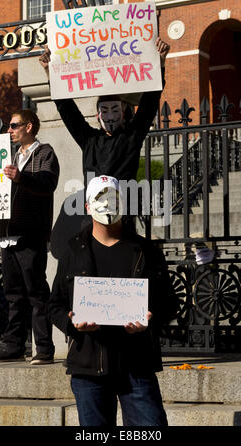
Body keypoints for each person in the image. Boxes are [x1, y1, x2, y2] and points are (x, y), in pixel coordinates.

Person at [48, 175, 179, 426]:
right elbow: (54, 305)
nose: (107, 204)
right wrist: (70, 322)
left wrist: (150, 319)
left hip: (136, 366)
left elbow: (170, 303)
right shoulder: (73, 252)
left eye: (113, 197)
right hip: (88, 367)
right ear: (87, 206)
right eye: (99, 198)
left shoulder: (145, 251)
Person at [39, 37, 170, 184]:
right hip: (93, 205)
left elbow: (149, 104)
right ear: (98, 115)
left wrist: (160, 62)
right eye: (105, 111)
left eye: (115, 110)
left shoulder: (131, 137)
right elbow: (67, 111)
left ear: (123, 113)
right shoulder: (89, 139)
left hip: (124, 203)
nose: (110, 116)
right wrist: (49, 72)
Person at [0, 109, 60, 365]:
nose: (10, 130)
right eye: (9, 126)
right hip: (8, 233)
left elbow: (47, 182)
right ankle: (13, 345)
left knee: (36, 290)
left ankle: (43, 349)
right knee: (13, 292)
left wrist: (21, 177)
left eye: (14, 125)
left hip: (31, 233)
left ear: (29, 127)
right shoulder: (10, 155)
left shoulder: (44, 153)